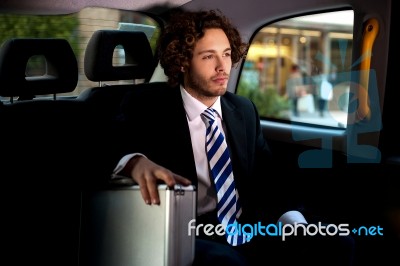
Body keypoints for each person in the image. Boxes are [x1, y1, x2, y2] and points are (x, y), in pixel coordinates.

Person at [110, 9, 354, 266]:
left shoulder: (243, 110)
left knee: (337, 242)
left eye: (226, 54)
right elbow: (105, 148)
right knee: (226, 262)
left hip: (247, 228)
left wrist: (294, 224)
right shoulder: (147, 105)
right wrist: (135, 162)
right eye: (208, 57)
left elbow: (270, 179)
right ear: (182, 62)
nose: (222, 67)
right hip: (185, 231)